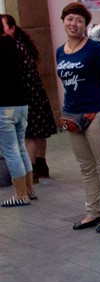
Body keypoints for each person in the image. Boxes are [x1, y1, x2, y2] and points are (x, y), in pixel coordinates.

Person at [56, 2, 100, 233]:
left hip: (96, 112)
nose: (74, 24)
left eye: (79, 20)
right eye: (70, 19)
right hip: (71, 114)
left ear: (85, 25)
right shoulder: (60, 51)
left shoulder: (94, 49)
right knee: (86, 168)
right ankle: (92, 213)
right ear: (64, 21)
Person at [1, 14, 58, 183]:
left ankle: (31, 172)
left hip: (26, 96)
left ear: (12, 28)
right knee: (39, 133)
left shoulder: (12, 48)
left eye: (2, 26)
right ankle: (41, 164)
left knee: (29, 135)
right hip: (36, 94)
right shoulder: (24, 45)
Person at [0, 29, 36, 207]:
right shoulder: (12, 44)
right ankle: (29, 190)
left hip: (4, 106)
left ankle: (20, 194)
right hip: (21, 104)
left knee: (11, 151)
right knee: (20, 147)